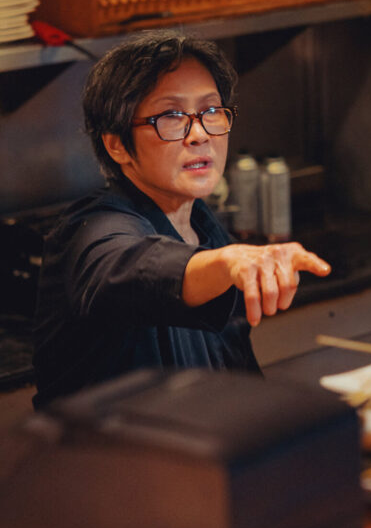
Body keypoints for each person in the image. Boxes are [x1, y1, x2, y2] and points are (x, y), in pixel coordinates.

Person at [32, 31, 331, 406]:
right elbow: (128, 265)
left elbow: (235, 375)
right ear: (117, 144)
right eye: (172, 116)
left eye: (210, 111)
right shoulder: (92, 227)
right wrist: (229, 261)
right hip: (109, 461)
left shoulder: (205, 226)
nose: (200, 133)